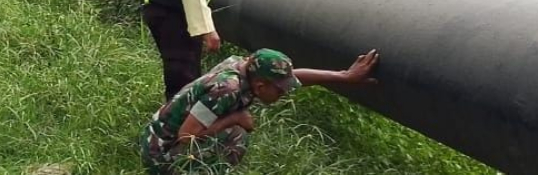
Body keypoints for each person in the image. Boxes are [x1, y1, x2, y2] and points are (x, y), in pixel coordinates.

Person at [140, 48, 380, 174]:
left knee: (234, 132)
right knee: (235, 136)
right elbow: (186, 136)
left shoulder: (246, 68)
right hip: (161, 152)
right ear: (260, 86)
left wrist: (344, 76)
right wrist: (234, 118)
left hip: (162, 137)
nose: (284, 94)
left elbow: (295, 77)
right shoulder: (226, 89)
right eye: (280, 91)